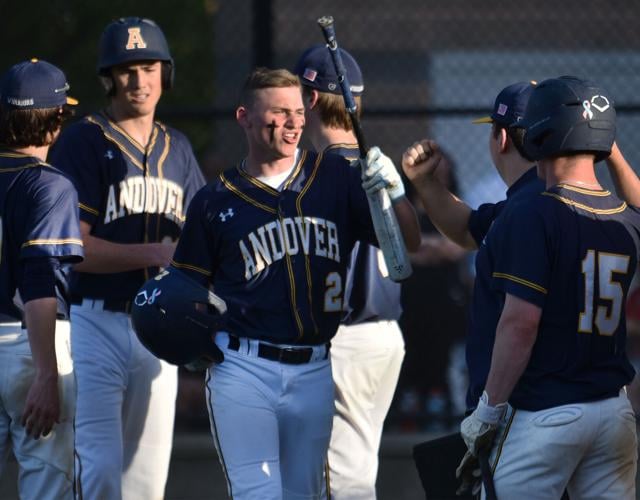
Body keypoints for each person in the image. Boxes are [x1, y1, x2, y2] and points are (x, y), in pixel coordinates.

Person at [170, 67, 420, 499]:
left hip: (316, 367)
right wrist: (190, 352)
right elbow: (188, 291)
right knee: (259, 494)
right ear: (244, 117)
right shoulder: (214, 200)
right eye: (278, 112)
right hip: (243, 367)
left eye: (298, 112)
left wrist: (393, 195)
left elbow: (407, 244)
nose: (292, 122)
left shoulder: (336, 178)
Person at [456, 76, 638, 498]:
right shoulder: (625, 217)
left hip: (544, 415)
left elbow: (520, 323)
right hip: (613, 412)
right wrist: (607, 145)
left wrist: (488, 409)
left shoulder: (535, 213)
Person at [49, 17, 205, 499]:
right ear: (108, 78)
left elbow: (202, 241)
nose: (139, 80)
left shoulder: (178, 148)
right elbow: (72, 248)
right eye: (127, 69)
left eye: (149, 67)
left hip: (159, 330)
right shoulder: (83, 142)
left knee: (147, 477)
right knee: (98, 470)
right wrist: (157, 252)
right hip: (96, 322)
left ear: (165, 73)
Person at [292, 44, 407, 498]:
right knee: (354, 463)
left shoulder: (322, 171)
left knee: (341, 474)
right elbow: (410, 242)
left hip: (346, 334)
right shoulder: (376, 166)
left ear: (312, 99)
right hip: (385, 334)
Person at [0, 59, 83, 499]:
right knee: (45, 489)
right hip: (27, 348)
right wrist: (47, 373)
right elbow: (39, 282)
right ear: (55, 120)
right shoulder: (49, 186)